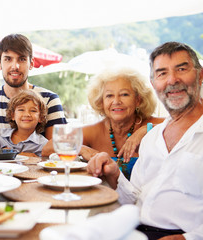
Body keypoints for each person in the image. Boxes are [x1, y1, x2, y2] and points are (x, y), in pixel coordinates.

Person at [87, 42, 203, 240]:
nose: (172, 80)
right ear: (154, 83)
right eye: (162, 73)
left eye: (181, 69)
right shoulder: (153, 137)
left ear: (200, 75)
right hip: (135, 230)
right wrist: (114, 173)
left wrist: (188, 238)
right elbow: (133, 198)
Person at [42, 67, 163, 179]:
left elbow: (181, 128)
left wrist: (146, 130)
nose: (116, 101)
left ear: (138, 100)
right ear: (101, 102)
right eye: (109, 96)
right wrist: (81, 149)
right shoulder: (94, 130)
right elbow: (48, 147)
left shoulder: (155, 124)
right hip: (105, 197)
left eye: (124, 94)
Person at [0, 34, 66, 141]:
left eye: (22, 59)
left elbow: (57, 150)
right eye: (8, 59)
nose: (15, 66)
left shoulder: (50, 100)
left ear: (31, 64)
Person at [0, 89, 48, 157]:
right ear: (12, 115)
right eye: (21, 110)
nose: (27, 114)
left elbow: (50, 162)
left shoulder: (43, 145)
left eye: (33, 111)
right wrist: (1, 153)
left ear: (41, 117)